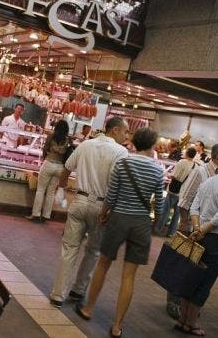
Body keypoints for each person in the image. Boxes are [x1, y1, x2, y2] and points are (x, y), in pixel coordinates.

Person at [74, 128, 164, 338]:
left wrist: (104, 214)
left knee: (103, 264)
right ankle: (117, 326)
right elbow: (159, 204)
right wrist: (155, 225)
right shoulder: (158, 170)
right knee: (129, 275)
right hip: (141, 223)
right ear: (151, 145)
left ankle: (88, 309)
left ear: (134, 143)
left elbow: (111, 194)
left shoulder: (123, 163)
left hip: (119, 219)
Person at [49, 117, 129, 308]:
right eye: (125, 132)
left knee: (69, 249)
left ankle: (58, 295)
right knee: (93, 251)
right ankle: (78, 289)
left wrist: (61, 189)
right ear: (115, 130)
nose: (126, 137)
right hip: (103, 206)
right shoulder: (121, 152)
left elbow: (67, 168)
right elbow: (120, 183)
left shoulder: (86, 145)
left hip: (79, 201)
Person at [175, 153, 218, 336]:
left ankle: (182, 320)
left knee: (189, 276)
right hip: (217, 239)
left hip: (197, 235)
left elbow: (194, 207)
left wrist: (197, 228)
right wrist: (204, 230)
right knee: (205, 281)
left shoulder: (208, 182)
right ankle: (192, 323)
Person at [167, 142, 218, 319]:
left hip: (206, 232)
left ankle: (187, 307)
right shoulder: (201, 171)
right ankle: (173, 302)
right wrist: (184, 225)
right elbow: (185, 199)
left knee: (196, 270)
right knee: (182, 266)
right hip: (191, 227)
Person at [26, 120, 70, 222]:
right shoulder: (68, 140)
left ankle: (36, 214)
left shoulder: (51, 136)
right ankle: (46, 215)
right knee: (50, 192)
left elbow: (45, 149)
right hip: (60, 167)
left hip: (49, 163)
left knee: (41, 190)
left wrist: (45, 158)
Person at [157, 147, 197, 237]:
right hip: (184, 193)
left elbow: (174, 175)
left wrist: (167, 174)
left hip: (173, 191)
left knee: (166, 210)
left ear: (187, 153)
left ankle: (158, 229)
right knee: (177, 214)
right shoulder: (195, 166)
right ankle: (171, 233)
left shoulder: (182, 162)